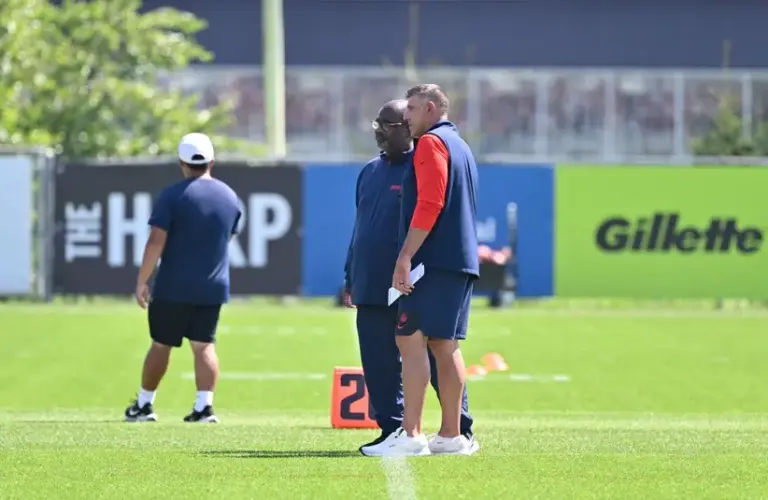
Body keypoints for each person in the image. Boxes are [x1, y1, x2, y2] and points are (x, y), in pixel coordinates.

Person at [343, 99, 479, 457]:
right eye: (378, 124)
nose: (380, 133)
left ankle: (459, 428)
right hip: (372, 280)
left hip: (414, 280)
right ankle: (393, 429)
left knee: (436, 351)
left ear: (409, 126)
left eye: (389, 125)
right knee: (378, 360)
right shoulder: (370, 171)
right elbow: (360, 228)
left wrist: (406, 261)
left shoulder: (426, 163)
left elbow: (432, 212)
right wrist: (350, 274)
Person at [387, 84, 480, 456]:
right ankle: (450, 436)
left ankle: (411, 435)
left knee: (410, 340)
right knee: (444, 344)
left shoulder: (430, 144)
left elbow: (430, 202)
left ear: (429, 108)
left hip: (434, 260)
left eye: (410, 108)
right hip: (457, 261)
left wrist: (405, 256)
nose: (404, 116)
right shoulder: (461, 145)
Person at [124, 133, 242, 423]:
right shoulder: (229, 196)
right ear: (211, 161)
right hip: (212, 287)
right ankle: (204, 406)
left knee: (161, 343)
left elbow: (156, 241)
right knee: (204, 344)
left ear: (182, 162)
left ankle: (144, 404)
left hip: (173, 286)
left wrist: (142, 280)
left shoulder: (173, 195)